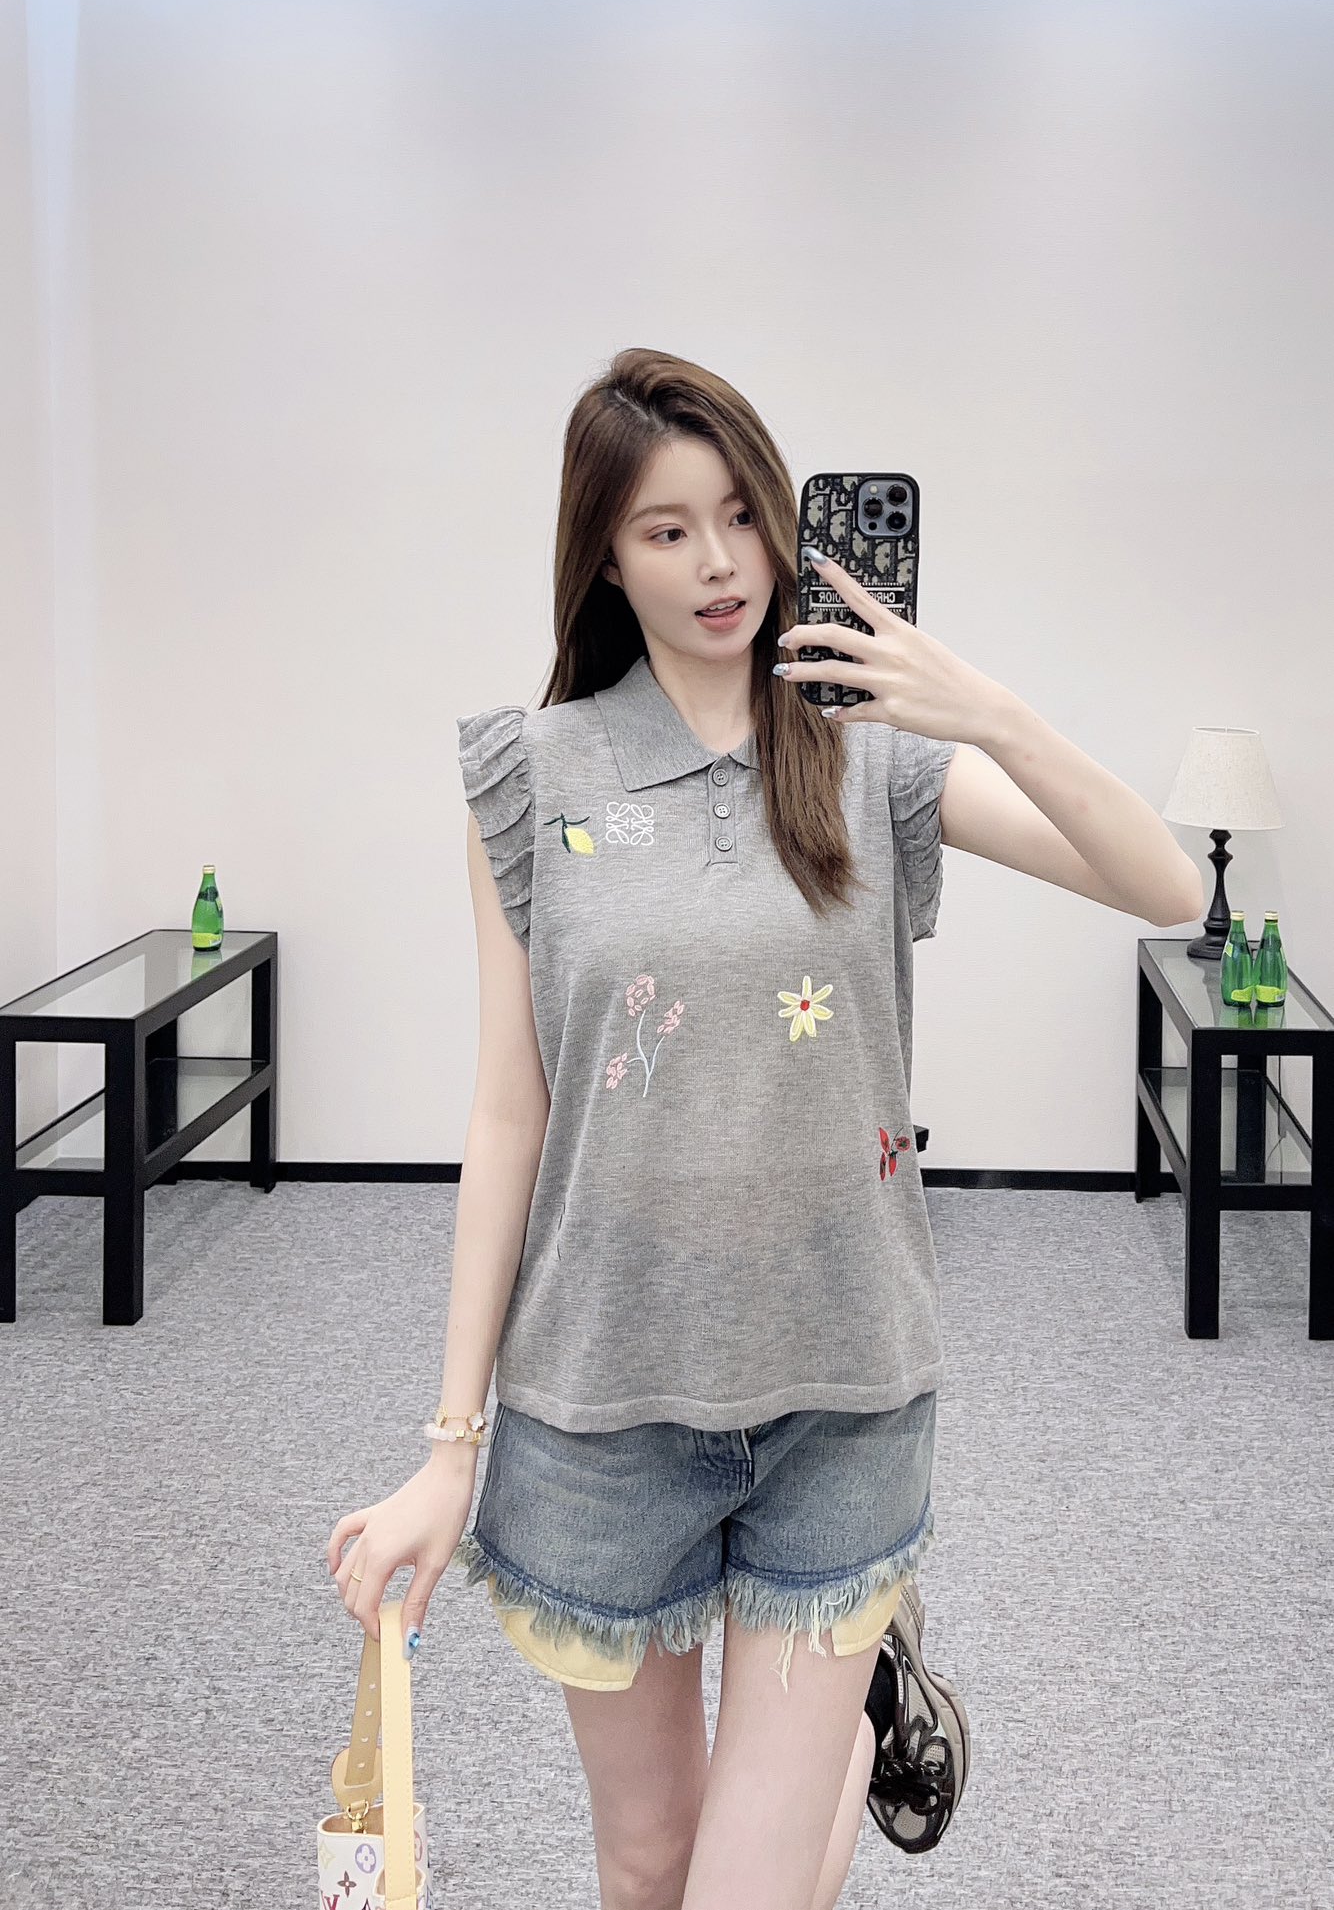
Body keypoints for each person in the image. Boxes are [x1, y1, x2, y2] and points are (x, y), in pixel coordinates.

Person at [326, 347, 1200, 1909]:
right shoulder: (532, 774)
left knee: (743, 1886)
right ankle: (850, 1723)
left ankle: (838, 1708)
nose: (720, 561)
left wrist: (986, 711)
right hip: (604, 1402)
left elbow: (1167, 885)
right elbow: (509, 1107)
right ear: (604, 555)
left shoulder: (870, 755)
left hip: (840, 1392)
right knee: (646, 1857)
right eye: (666, 530)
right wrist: (447, 1449)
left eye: (742, 514)